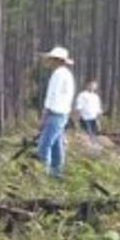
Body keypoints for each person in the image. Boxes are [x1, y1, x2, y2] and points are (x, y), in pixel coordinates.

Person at [38, 46, 75, 176]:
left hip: (54, 113)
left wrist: (44, 114)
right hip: (63, 113)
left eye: (52, 59)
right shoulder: (68, 75)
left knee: (44, 145)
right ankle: (57, 173)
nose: (49, 61)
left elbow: (51, 96)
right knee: (56, 145)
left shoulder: (57, 74)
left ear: (57, 60)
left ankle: (44, 173)